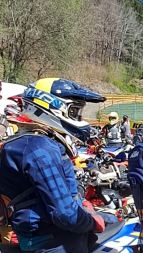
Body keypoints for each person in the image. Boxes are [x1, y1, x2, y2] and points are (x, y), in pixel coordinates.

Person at [0, 78, 106, 253]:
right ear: (51, 107)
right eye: (74, 111)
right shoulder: (39, 147)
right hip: (54, 241)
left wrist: (82, 203)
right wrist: (94, 221)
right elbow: (65, 214)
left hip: (37, 236)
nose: (78, 118)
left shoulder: (24, 143)